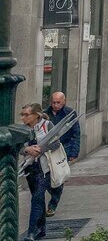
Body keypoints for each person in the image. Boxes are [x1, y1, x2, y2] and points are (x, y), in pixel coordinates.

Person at [19, 103, 53, 241]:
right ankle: (42, 228)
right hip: (30, 168)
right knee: (37, 198)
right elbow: (18, 147)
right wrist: (27, 150)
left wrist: (40, 149)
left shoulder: (47, 125)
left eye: (26, 115)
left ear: (36, 115)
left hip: (44, 168)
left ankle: (31, 233)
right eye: (22, 115)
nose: (23, 118)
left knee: (36, 199)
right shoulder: (22, 130)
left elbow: (56, 143)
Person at [43, 92, 80, 217]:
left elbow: (76, 133)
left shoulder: (70, 113)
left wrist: (74, 152)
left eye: (58, 102)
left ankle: (53, 204)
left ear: (64, 101)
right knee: (49, 177)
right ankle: (53, 193)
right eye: (53, 102)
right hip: (48, 150)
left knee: (59, 176)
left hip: (64, 148)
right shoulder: (45, 114)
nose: (56, 105)